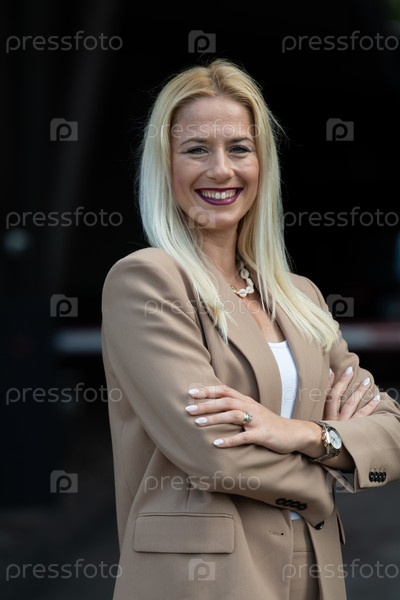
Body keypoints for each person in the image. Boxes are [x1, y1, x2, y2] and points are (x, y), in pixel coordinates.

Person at [101, 58, 400, 600]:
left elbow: (391, 431)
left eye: (239, 148)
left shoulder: (299, 296)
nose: (221, 170)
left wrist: (306, 434)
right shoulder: (147, 281)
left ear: (263, 162)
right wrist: (333, 468)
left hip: (314, 576)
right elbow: (214, 452)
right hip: (205, 582)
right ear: (165, 164)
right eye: (197, 150)